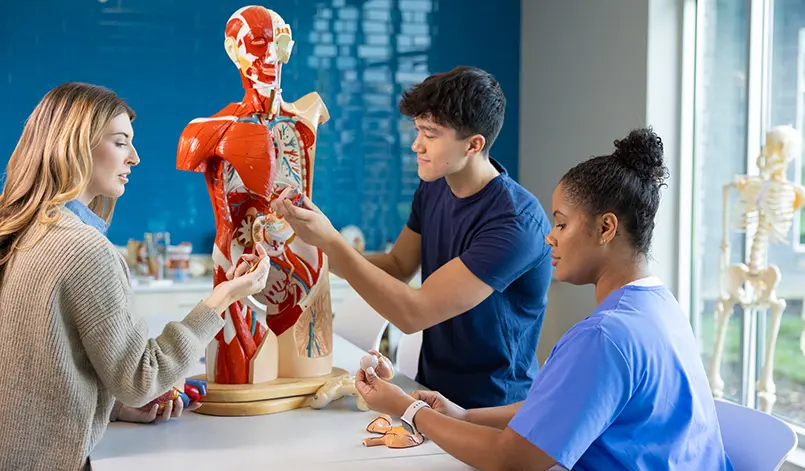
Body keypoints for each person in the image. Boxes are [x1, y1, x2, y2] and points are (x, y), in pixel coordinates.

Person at [352, 128, 734, 470]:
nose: (550, 237)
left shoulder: (605, 337)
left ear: (606, 228)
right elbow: (566, 405)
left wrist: (407, 408)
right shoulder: (660, 306)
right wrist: (464, 417)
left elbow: (510, 458)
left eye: (562, 223)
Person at [0, 82, 270, 471]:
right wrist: (222, 298)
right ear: (75, 144)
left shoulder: (20, 230)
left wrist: (110, 407)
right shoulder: (84, 250)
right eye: (121, 142)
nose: (136, 158)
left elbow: (34, 372)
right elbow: (141, 378)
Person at [274, 66, 553, 409]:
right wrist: (309, 249)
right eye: (417, 129)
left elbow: (414, 314)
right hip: (429, 391)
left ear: (473, 144)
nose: (415, 144)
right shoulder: (435, 185)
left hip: (490, 407)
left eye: (430, 134)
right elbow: (398, 264)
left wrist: (330, 241)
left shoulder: (516, 222)